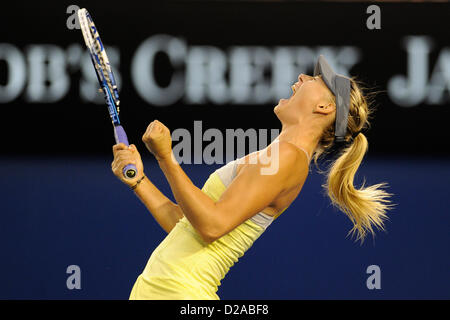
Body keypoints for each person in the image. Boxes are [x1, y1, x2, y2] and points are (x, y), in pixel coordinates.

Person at [111, 55, 393, 300]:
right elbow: (186, 226)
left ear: (324, 108)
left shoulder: (288, 158)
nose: (302, 77)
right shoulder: (281, 155)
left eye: (315, 79)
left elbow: (211, 225)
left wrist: (165, 158)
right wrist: (140, 181)